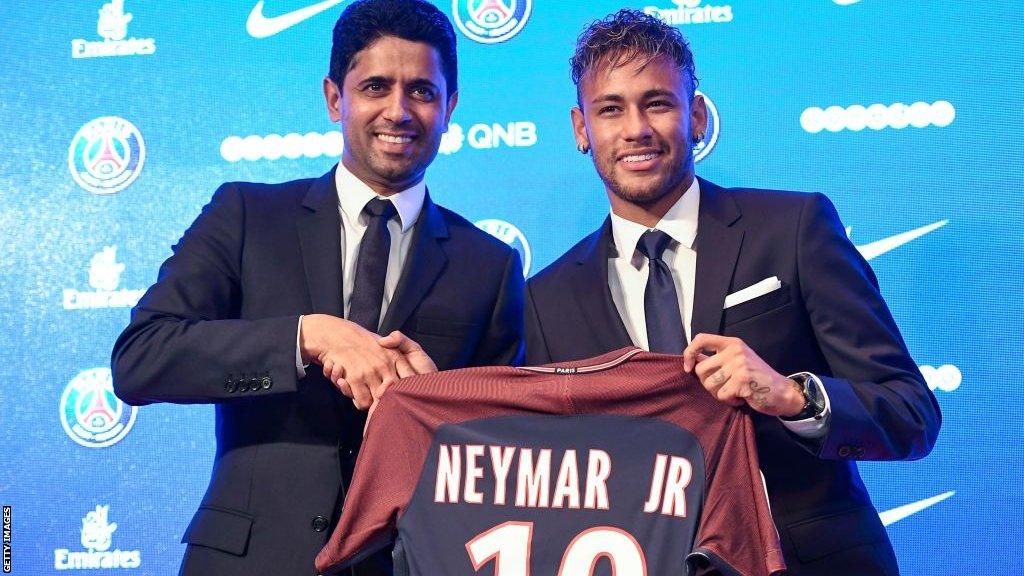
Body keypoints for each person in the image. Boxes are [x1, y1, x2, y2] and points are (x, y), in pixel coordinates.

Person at [111, 1, 524, 574]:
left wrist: (439, 408)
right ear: (336, 98)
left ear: (450, 107)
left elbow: (505, 461)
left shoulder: (491, 265)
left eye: (422, 92)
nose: (399, 111)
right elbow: (140, 360)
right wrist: (306, 337)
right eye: (376, 86)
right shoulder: (247, 215)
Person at [523, 9, 940, 576]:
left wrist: (793, 396)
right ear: (580, 128)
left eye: (658, 103)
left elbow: (911, 413)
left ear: (696, 115)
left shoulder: (794, 229)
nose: (636, 128)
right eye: (610, 109)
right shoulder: (545, 299)